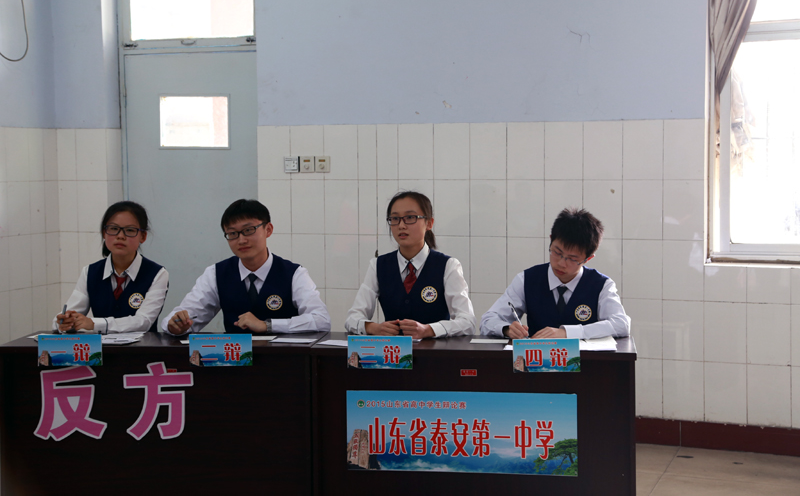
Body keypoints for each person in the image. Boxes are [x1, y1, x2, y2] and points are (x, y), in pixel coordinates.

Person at [162, 199, 330, 335]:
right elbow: (181, 317)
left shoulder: (294, 273)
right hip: (232, 360)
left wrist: (268, 325)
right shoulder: (216, 273)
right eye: (232, 233)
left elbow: (322, 320)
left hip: (282, 359)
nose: (241, 240)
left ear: (268, 230)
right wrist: (175, 326)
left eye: (248, 230)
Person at [481, 207, 629, 340]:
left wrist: (568, 333)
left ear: (587, 259)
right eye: (557, 252)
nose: (561, 263)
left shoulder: (601, 285)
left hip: (584, 361)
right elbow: (488, 320)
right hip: (536, 360)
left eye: (573, 259)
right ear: (551, 240)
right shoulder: (527, 279)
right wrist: (506, 329)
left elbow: (621, 324)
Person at [344, 191, 475, 339]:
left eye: (410, 218)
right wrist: (373, 328)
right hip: (392, 351)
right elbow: (352, 318)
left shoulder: (448, 265)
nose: (401, 225)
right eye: (395, 218)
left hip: (435, 351)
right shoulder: (378, 265)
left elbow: (468, 322)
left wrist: (429, 329)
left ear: (429, 223)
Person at [54, 201, 169, 334]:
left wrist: (94, 324)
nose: (120, 236)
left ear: (143, 236)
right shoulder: (90, 272)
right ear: (104, 233)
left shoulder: (157, 274)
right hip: (101, 347)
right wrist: (65, 322)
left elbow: (143, 321)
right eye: (113, 229)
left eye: (130, 230)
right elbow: (69, 313)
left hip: (142, 347)